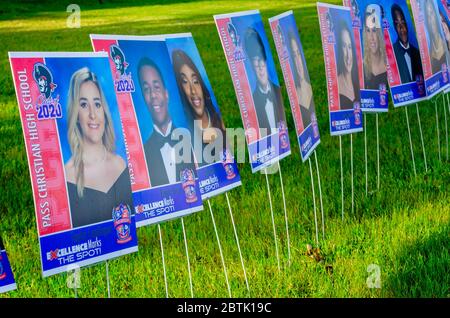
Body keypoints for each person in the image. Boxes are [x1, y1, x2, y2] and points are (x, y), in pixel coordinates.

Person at [65, 67, 133, 228]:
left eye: (97, 104)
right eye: (83, 105)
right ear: (76, 116)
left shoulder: (120, 164)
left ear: (104, 111)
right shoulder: (67, 175)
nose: (92, 114)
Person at [137, 57, 196, 186]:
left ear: (166, 94)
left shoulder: (192, 139)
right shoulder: (143, 156)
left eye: (156, 87)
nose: (152, 95)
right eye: (146, 89)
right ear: (143, 98)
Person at [171, 49, 227, 167]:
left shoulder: (220, 122)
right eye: (185, 82)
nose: (193, 90)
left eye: (195, 81)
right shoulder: (186, 138)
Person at [244, 27, 286, 136]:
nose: (260, 67)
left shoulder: (277, 92)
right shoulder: (252, 103)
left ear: (266, 61)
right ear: (252, 67)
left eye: (261, 60)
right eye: (256, 63)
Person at [287, 30, 315, 128]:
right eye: (294, 56)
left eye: (298, 54)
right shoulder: (293, 93)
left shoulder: (308, 88)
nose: (298, 61)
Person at [391, 3, 424, 83]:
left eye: (402, 22)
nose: (401, 28)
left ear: (406, 23)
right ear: (394, 27)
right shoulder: (391, 55)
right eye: (397, 24)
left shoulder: (417, 53)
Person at [363, 5, 388, 90]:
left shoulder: (390, 64)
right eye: (368, 31)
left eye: (374, 30)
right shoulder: (361, 69)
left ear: (380, 34)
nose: (371, 38)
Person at [336, 20, 360, 109]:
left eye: (349, 47)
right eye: (344, 46)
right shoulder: (336, 86)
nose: (348, 55)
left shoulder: (359, 80)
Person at [424, 0, 448, 74]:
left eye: (432, 13)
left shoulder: (447, 37)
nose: (431, 19)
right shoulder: (428, 51)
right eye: (428, 16)